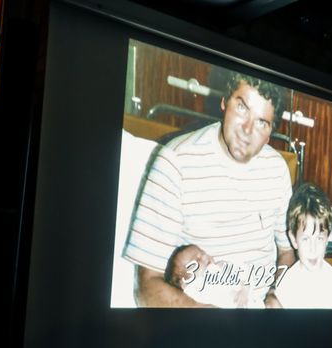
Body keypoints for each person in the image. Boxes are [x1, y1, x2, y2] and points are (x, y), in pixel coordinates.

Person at [123, 72, 295, 307]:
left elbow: (287, 253)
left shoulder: (277, 170)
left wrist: (275, 297)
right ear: (224, 102)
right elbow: (146, 286)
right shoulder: (175, 161)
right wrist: (211, 318)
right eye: (242, 107)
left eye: (261, 122)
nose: (247, 130)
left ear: (270, 133)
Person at [271, 182, 332, 309]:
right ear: (294, 240)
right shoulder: (286, 285)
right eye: (305, 239)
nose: (313, 248)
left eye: (319, 238)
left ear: (327, 238)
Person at [164, 244, 261, 308]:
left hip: (246, 302)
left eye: (203, 253)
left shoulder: (222, 266)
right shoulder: (192, 289)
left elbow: (246, 274)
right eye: (197, 260)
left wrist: (244, 291)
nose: (205, 257)